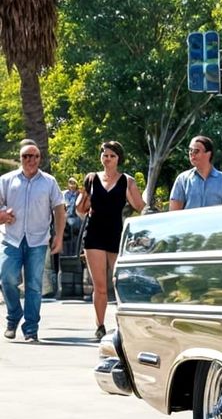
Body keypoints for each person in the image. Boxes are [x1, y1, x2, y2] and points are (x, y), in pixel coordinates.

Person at [0, 140, 66, 343]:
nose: (31, 160)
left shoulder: (49, 182)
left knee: (34, 286)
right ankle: (14, 316)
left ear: (40, 158)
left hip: (38, 240)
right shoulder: (6, 180)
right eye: (26, 156)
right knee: (6, 278)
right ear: (20, 159)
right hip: (11, 238)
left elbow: (59, 209)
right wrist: (2, 215)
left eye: (35, 156)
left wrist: (59, 236)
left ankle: (30, 329)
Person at [79, 141, 144, 340]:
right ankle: (100, 325)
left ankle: (123, 325)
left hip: (117, 234)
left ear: (118, 159)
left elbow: (141, 207)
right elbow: (80, 210)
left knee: (119, 282)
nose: (108, 159)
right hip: (95, 234)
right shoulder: (91, 179)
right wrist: (84, 200)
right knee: (99, 286)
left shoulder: (127, 181)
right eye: (105, 155)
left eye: (112, 156)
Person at [168, 135, 222, 210]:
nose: (191, 154)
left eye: (196, 151)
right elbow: (174, 212)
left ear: (208, 154)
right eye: (190, 150)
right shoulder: (182, 179)